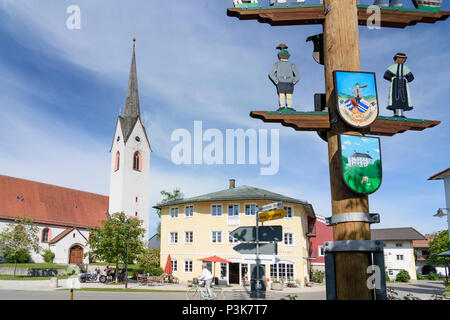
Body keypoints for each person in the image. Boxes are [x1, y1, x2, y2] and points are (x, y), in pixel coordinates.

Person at [268, 43, 300, 111]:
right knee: (284, 95)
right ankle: (285, 106)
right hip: (284, 82)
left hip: (284, 82)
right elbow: (271, 74)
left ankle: (288, 106)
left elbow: (298, 75)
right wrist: (276, 81)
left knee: (286, 95)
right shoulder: (278, 64)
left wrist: (293, 81)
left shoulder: (289, 64)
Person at [383, 53, 414, 118]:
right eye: (400, 58)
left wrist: (406, 80)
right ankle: (396, 113)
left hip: (403, 84)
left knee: (403, 98)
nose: (402, 60)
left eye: (403, 59)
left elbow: (411, 77)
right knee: (395, 97)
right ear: (396, 59)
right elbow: (386, 75)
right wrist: (392, 78)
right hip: (395, 83)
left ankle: (402, 113)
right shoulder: (392, 67)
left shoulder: (405, 68)